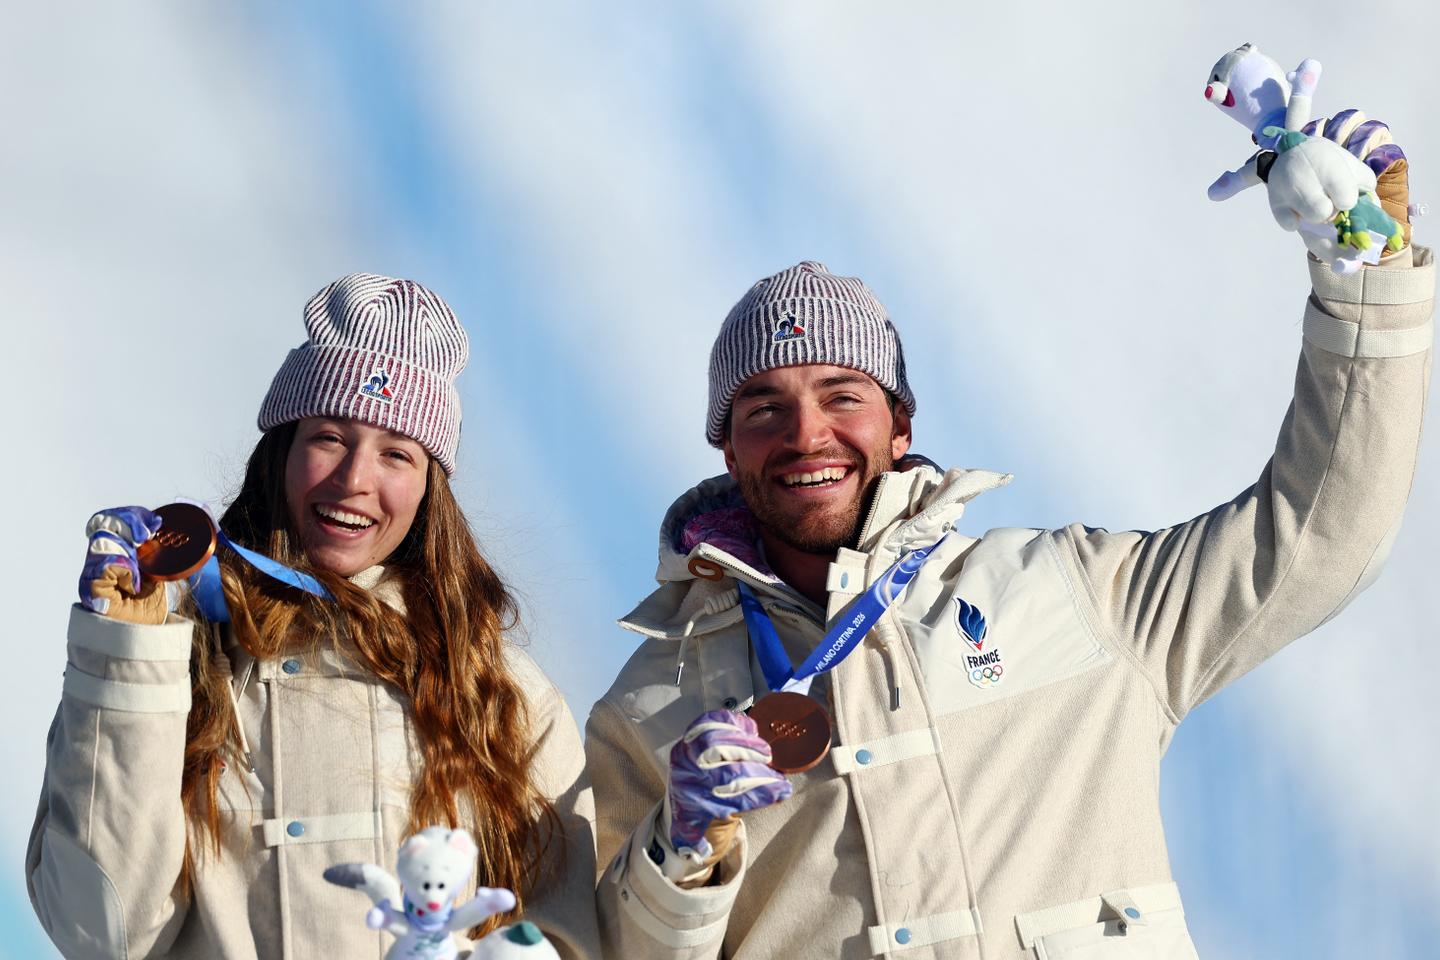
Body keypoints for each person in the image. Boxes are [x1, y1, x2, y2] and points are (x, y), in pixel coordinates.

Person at [586, 138, 1435, 956]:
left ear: (901, 425)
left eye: (842, 395)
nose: (807, 434)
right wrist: (675, 853)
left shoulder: (1071, 596)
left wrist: (1365, 277)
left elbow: (1321, 529)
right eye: (764, 408)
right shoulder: (649, 709)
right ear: (728, 451)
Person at [26, 274, 600, 958]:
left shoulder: (502, 691)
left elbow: (567, 939)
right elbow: (101, 933)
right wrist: (124, 659)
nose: (354, 478)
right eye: (330, 436)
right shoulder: (177, 660)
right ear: (282, 454)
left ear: (428, 490)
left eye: (396, 453)